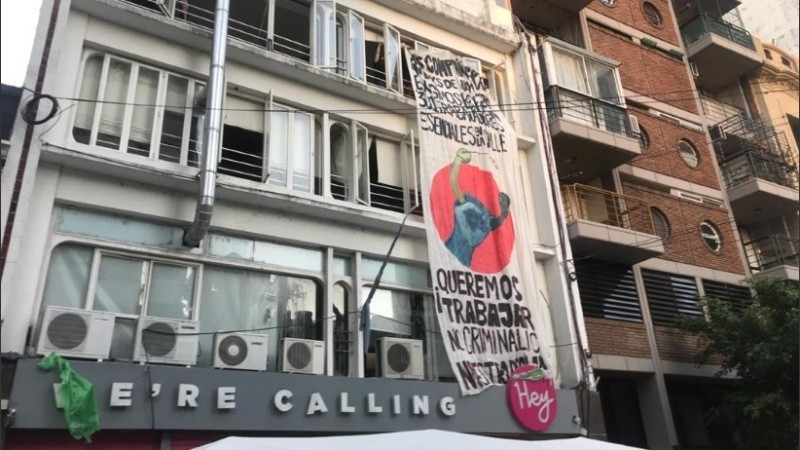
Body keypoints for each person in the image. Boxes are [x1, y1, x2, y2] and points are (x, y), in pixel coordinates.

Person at [444, 148, 510, 267]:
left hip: (461, 261)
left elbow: (474, 237)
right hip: (449, 254)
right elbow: (455, 185)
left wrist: (504, 210)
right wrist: (458, 159)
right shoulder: (472, 208)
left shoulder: (486, 222)